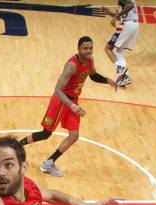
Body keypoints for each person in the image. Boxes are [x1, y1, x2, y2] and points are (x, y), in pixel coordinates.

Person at [18, 36, 117, 177]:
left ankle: (49, 163)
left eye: (90, 48)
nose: (88, 51)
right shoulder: (72, 65)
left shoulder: (90, 61)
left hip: (73, 102)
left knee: (74, 136)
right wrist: (71, 105)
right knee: (46, 133)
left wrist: (107, 80)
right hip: (61, 101)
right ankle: (17, 145)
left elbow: (93, 75)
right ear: (78, 49)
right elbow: (57, 90)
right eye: (85, 48)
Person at [103, 0, 140, 86]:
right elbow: (123, 16)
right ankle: (124, 77)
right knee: (119, 52)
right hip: (135, 25)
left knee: (108, 48)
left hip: (126, 25)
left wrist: (115, 16)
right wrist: (109, 13)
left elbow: (130, 5)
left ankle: (121, 70)